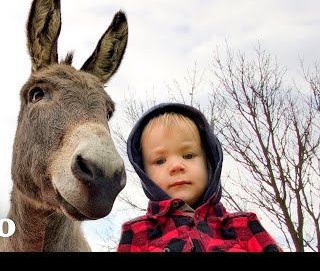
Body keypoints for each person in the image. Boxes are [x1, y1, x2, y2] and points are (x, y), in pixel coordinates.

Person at [117, 102, 283, 252]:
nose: (176, 166)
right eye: (160, 161)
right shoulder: (137, 234)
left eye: (188, 156)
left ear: (209, 163)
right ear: (144, 174)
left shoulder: (244, 227)